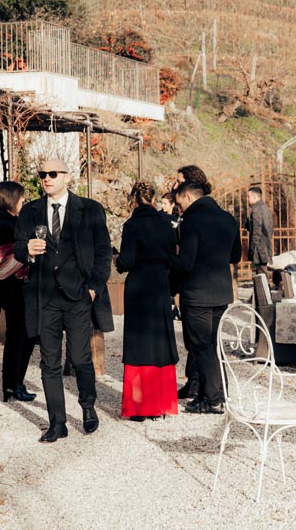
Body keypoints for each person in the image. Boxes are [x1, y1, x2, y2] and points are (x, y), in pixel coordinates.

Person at [13, 159, 113, 443]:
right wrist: (28, 250)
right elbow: (18, 246)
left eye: (53, 174)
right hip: (44, 297)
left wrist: (93, 288)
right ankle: (57, 423)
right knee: (49, 363)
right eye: (43, 174)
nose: (46, 178)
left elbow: (104, 253)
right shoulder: (31, 211)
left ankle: (88, 407)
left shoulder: (90, 210)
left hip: (78, 296)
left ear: (68, 178)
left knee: (81, 359)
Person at [172, 180, 241, 414]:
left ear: (189, 197)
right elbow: (236, 255)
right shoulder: (228, 219)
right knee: (213, 346)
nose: (178, 206)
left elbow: (186, 262)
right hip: (221, 291)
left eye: (179, 201)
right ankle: (215, 393)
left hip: (197, 291)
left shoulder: (192, 221)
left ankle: (212, 399)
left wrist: (168, 259)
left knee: (201, 346)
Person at [116, 181, 179, 422]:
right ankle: (161, 404)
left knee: (139, 344)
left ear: (134, 199)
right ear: (153, 199)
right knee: (160, 341)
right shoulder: (166, 224)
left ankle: (141, 407)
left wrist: (118, 261)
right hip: (160, 284)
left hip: (140, 284)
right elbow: (173, 255)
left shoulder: (132, 225)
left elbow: (128, 261)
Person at [0, 181, 38, 403]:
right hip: (13, 291)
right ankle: (12, 385)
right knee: (19, 338)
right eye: (21, 198)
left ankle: (15, 383)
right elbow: (3, 262)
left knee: (24, 337)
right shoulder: (3, 225)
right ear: (10, 200)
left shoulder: (12, 222)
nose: (23, 201)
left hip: (17, 290)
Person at [171, 164, 213, 401]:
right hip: (204, 285)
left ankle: (201, 387)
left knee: (198, 341)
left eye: (178, 181)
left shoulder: (193, 216)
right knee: (197, 341)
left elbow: (187, 257)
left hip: (196, 284)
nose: (174, 185)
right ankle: (195, 382)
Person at [246, 186, 274, 276]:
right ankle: (264, 289)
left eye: (248, 197)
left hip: (259, 248)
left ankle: (263, 290)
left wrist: (252, 248)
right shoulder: (265, 208)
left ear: (255, 197)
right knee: (262, 274)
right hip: (265, 246)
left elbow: (256, 232)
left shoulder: (256, 210)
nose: (247, 199)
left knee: (261, 277)